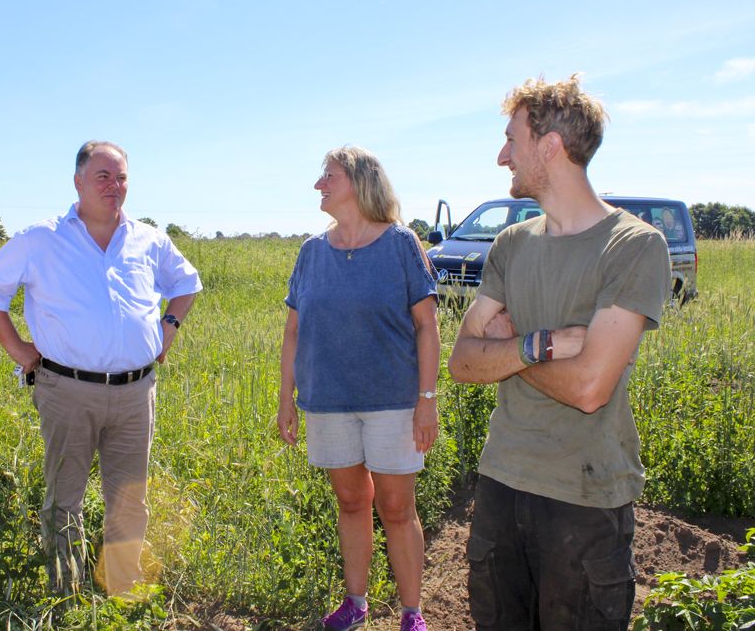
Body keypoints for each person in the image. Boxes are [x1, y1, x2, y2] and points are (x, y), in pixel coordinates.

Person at [448, 76, 671, 630]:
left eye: (512, 139)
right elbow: (461, 363)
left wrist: (508, 345)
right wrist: (539, 343)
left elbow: (590, 389)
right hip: (501, 483)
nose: (503, 155)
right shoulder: (511, 244)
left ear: (550, 146)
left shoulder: (635, 246)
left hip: (585, 496)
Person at [0, 140, 202, 596]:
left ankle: (121, 586)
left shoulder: (147, 238)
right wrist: (18, 349)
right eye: (103, 177)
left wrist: (167, 327)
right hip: (67, 388)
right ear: (78, 182)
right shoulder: (42, 238)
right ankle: (66, 591)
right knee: (65, 497)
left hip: (136, 390)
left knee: (131, 497)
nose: (115, 186)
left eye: (122, 177)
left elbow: (186, 283)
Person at [277, 146, 439, 631]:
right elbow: (292, 331)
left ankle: (412, 612)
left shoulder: (400, 244)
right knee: (351, 502)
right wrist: (286, 398)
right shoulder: (311, 252)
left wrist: (426, 401)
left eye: (328, 175)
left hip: (393, 404)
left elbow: (427, 327)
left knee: (396, 507)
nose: (318, 185)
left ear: (360, 181)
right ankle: (356, 602)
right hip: (327, 404)